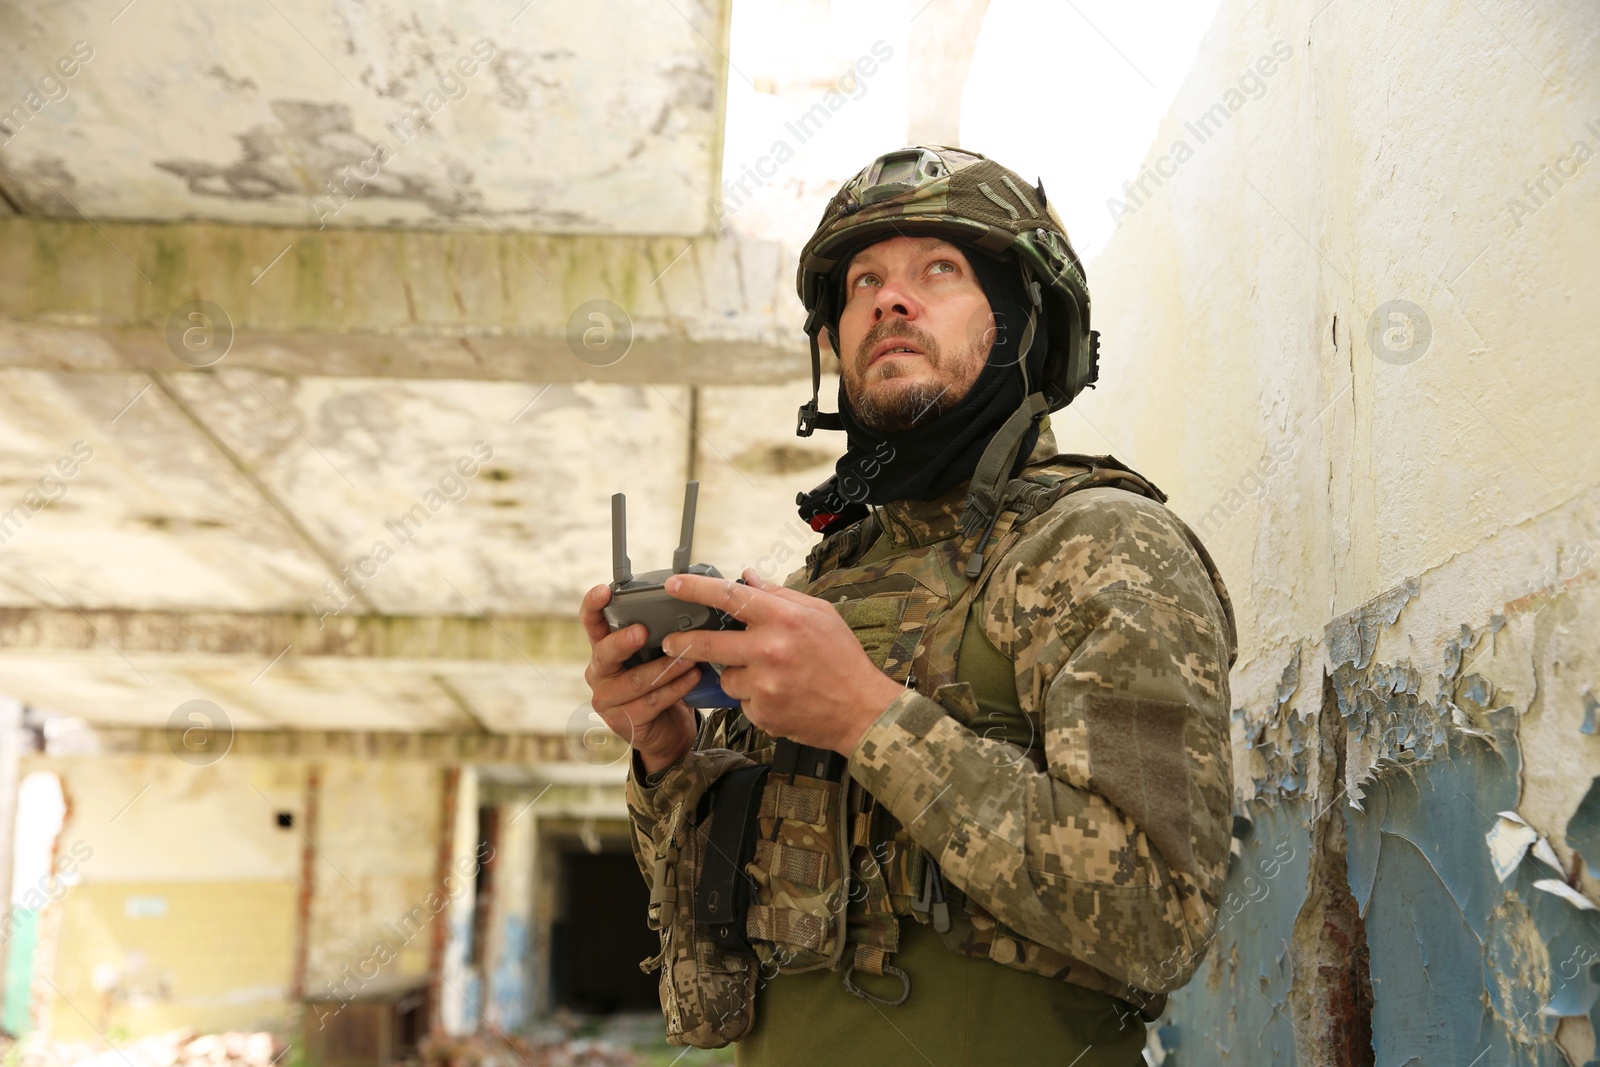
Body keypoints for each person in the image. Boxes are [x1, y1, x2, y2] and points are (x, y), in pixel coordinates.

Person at [580, 146, 1237, 1065]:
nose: (892, 299)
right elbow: (724, 907)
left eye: (941, 270)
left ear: (1019, 320)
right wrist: (666, 752)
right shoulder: (821, 591)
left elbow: (1158, 918)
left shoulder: (1096, 545)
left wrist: (866, 715)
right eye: (864, 282)